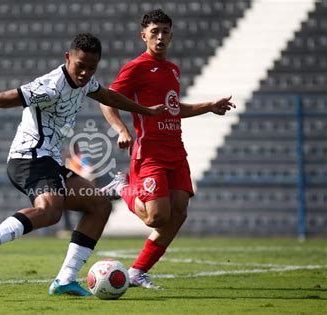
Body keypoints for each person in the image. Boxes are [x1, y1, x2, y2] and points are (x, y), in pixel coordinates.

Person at [0, 33, 165, 296]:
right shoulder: (49, 87)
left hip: (48, 161)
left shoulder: (86, 82)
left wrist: (146, 110)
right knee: (51, 211)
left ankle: (65, 279)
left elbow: (108, 96)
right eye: (80, 66)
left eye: (92, 68)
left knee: (98, 206)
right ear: (68, 58)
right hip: (28, 157)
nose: (85, 73)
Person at [100, 9, 235, 289]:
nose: (160, 37)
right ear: (144, 36)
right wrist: (123, 130)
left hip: (177, 151)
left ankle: (138, 272)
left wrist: (208, 106)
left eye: (165, 32)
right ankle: (123, 187)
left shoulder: (173, 69)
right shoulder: (136, 67)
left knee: (179, 213)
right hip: (150, 152)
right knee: (156, 217)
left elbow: (175, 108)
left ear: (171, 35)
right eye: (154, 32)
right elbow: (107, 100)